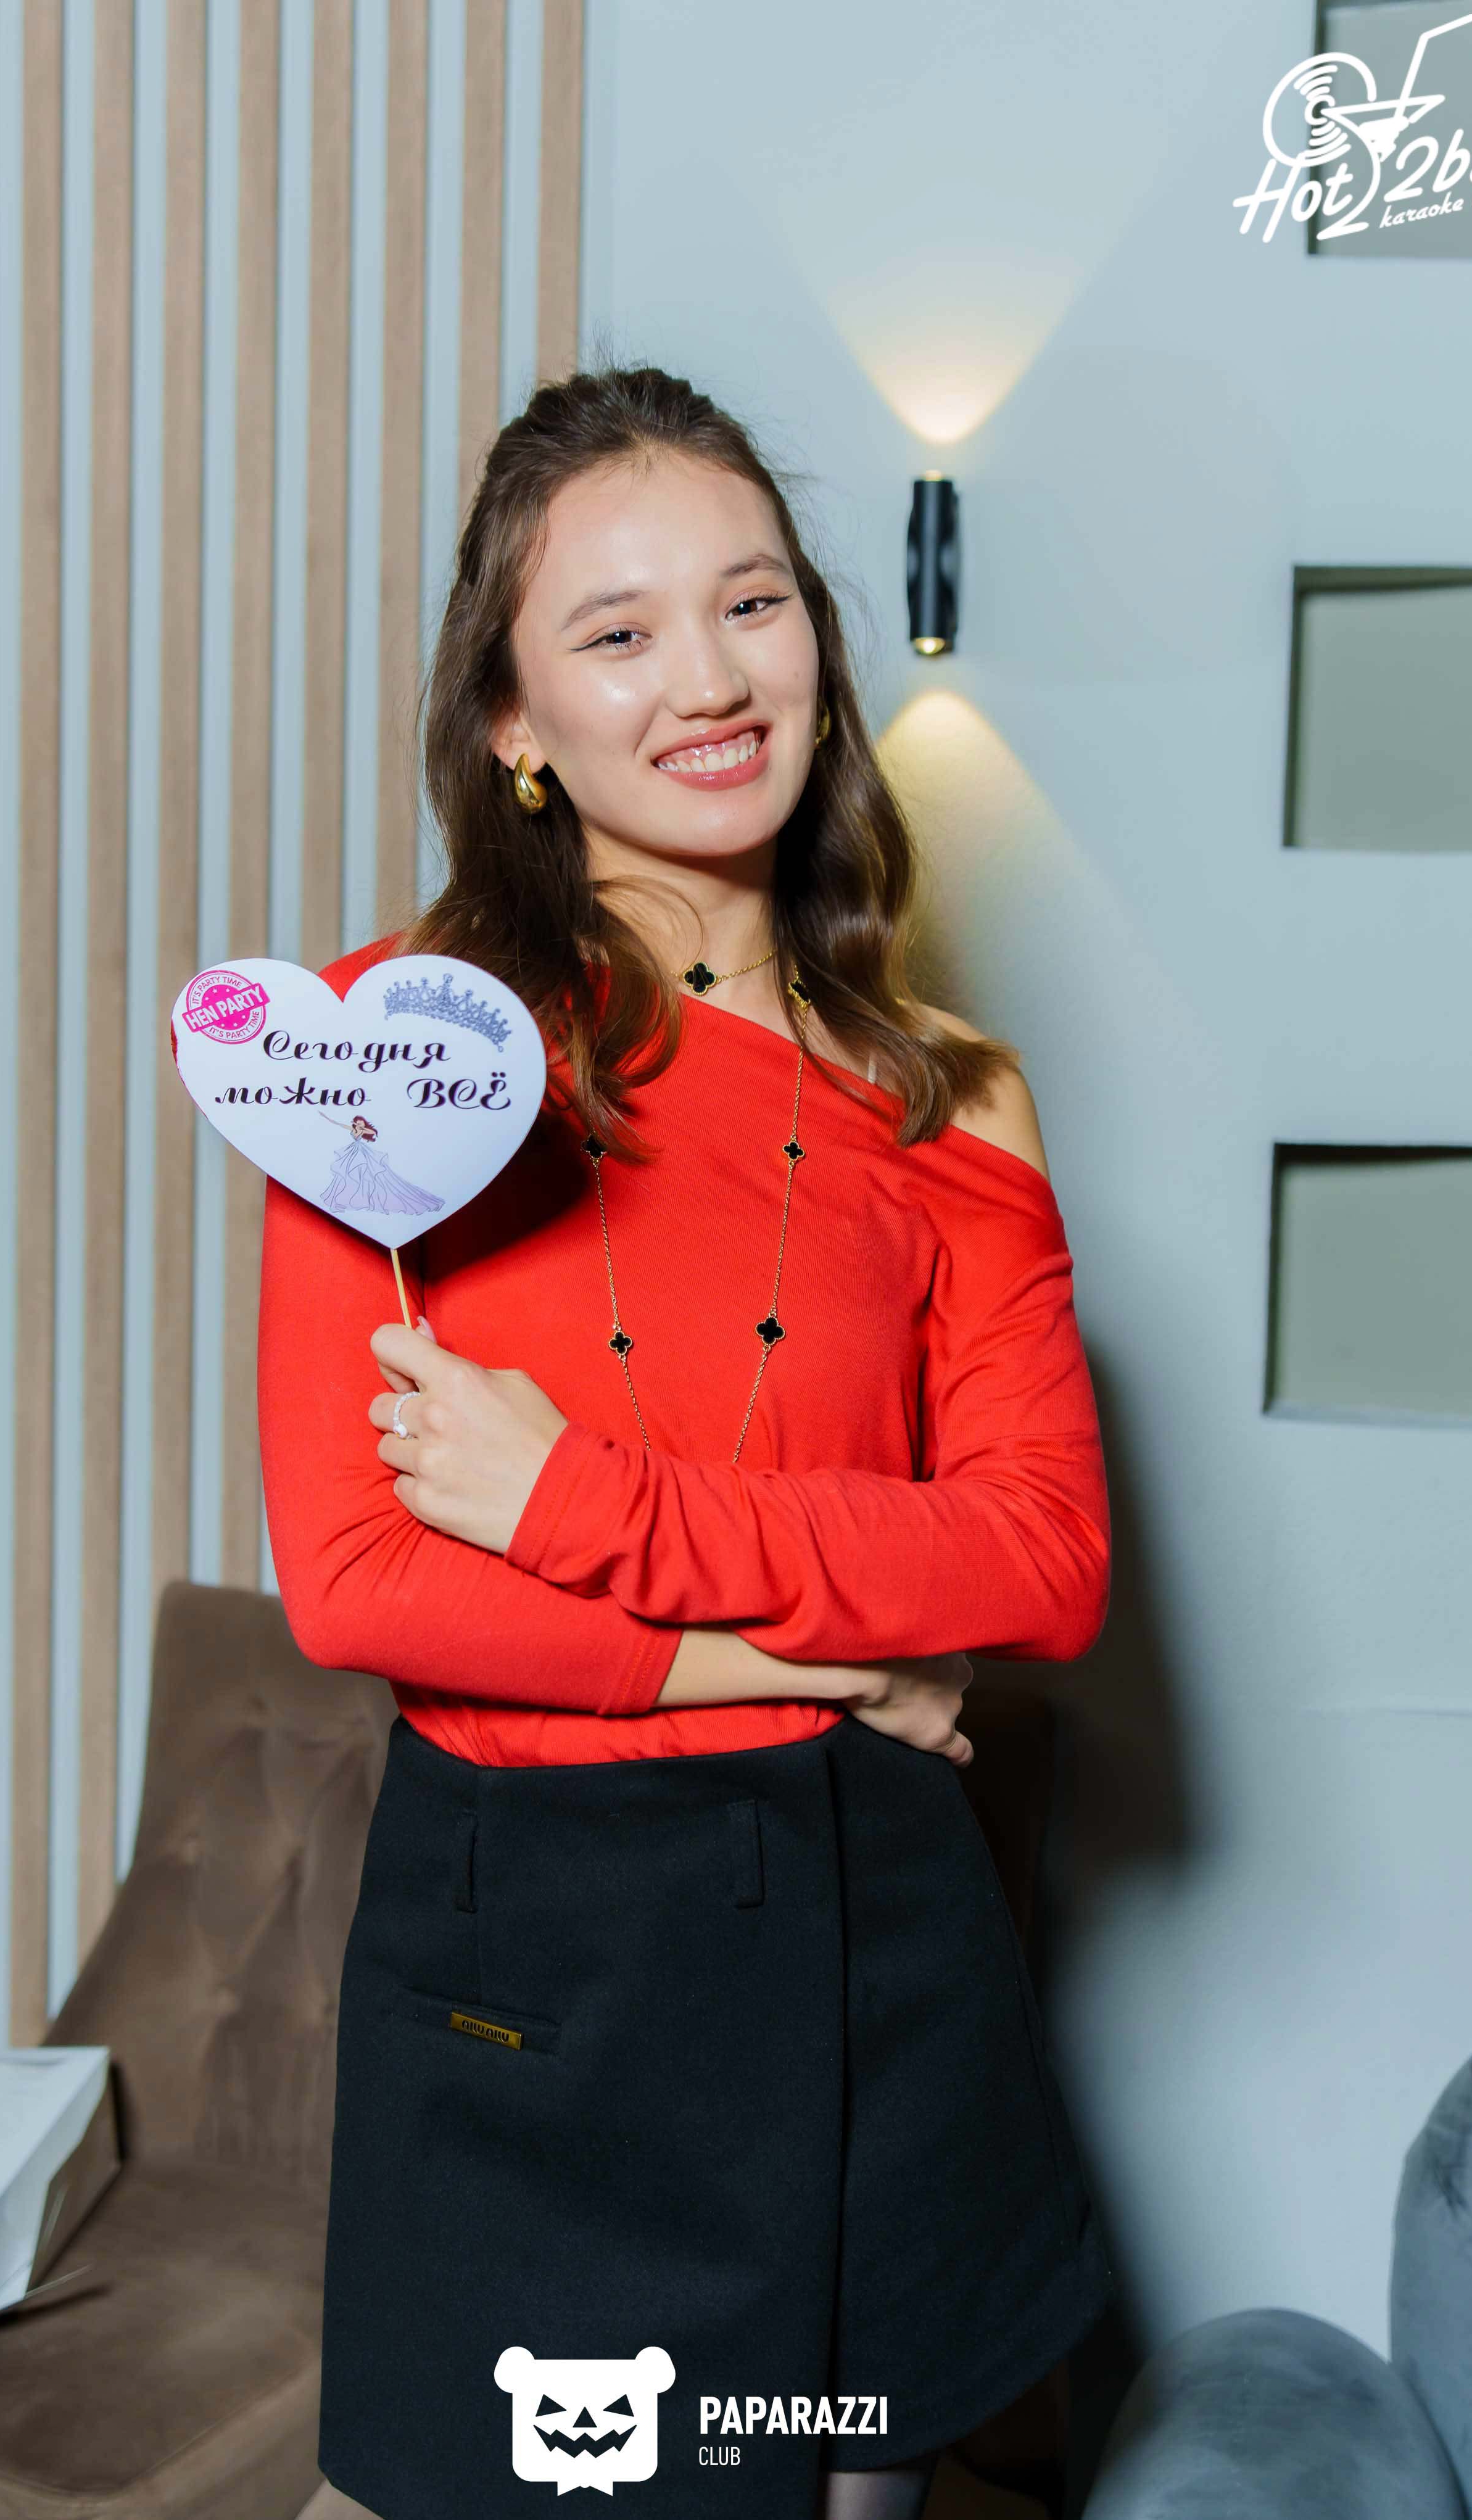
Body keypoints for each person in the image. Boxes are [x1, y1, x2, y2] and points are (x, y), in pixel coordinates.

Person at [257, 365, 1117, 2520]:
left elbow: (1038, 1564)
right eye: (618, 631)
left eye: (750, 603)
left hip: (877, 1945)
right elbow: (359, 1584)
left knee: (838, 2488)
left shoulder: (951, 1094)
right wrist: (818, 1656)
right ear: (514, 722)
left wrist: (574, 1501)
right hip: (540, 1946)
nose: (711, 681)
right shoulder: (397, 1061)